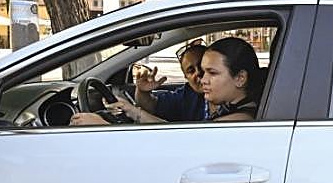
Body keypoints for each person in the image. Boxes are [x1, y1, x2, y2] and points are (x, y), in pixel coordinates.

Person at [71, 36, 262, 125]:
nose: (202, 79)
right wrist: (132, 110)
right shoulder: (231, 108)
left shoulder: (238, 121)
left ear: (240, 78)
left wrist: (106, 127)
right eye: (199, 71)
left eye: (212, 73)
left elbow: (180, 139)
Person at [132, 42, 209, 122]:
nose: (198, 72)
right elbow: (152, 106)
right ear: (186, 77)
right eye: (191, 71)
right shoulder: (187, 95)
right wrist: (142, 91)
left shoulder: (222, 101)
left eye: (201, 65)